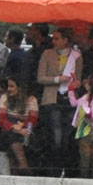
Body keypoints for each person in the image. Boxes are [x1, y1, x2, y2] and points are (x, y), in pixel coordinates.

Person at [37, 27, 83, 175]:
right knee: (55, 136)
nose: (53, 41)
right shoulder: (47, 54)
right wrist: (58, 79)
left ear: (66, 40)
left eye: (57, 38)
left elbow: (78, 78)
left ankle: (68, 170)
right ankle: (54, 170)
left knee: (68, 137)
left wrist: (77, 83)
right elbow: (40, 78)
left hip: (69, 100)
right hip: (52, 99)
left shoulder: (77, 56)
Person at [0, 76, 38, 174]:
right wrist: (16, 128)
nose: (8, 89)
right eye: (8, 86)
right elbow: (2, 120)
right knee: (12, 136)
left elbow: (33, 120)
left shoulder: (31, 99)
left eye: (12, 86)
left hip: (25, 129)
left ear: (19, 88)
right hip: (8, 130)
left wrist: (22, 125)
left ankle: (20, 167)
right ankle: (23, 164)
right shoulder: (4, 97)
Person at [68, 75, 93, 178]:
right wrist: (71, 91)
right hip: (83, 130)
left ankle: (89, 177)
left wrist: (87, 113)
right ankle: (86, 176)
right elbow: (74, 103)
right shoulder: (84, 97)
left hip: (90, 131)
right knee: (85, 156)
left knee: (90, 157)